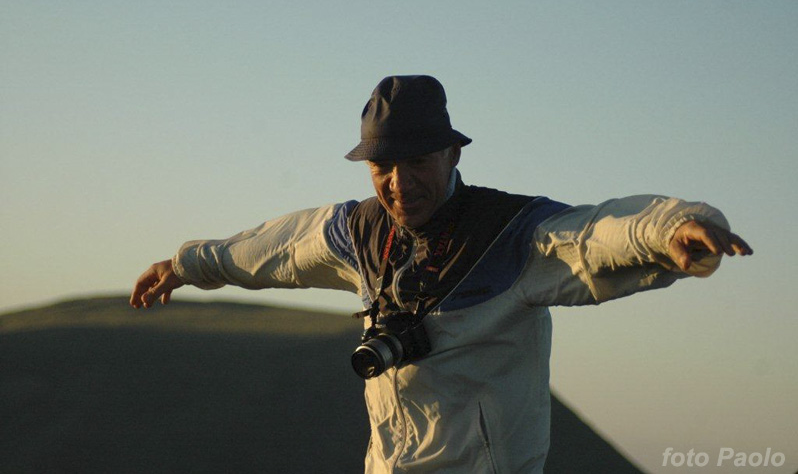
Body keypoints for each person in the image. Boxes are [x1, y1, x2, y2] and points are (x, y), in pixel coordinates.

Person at [130, 75, 752, 473]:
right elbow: (274, 248)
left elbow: (595, 232)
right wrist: (184, 264)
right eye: (382, 167)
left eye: (418, 162)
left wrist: (673, 228)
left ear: (453, 153)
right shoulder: (359, 233)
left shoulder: (511, 234)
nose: (399, 184)